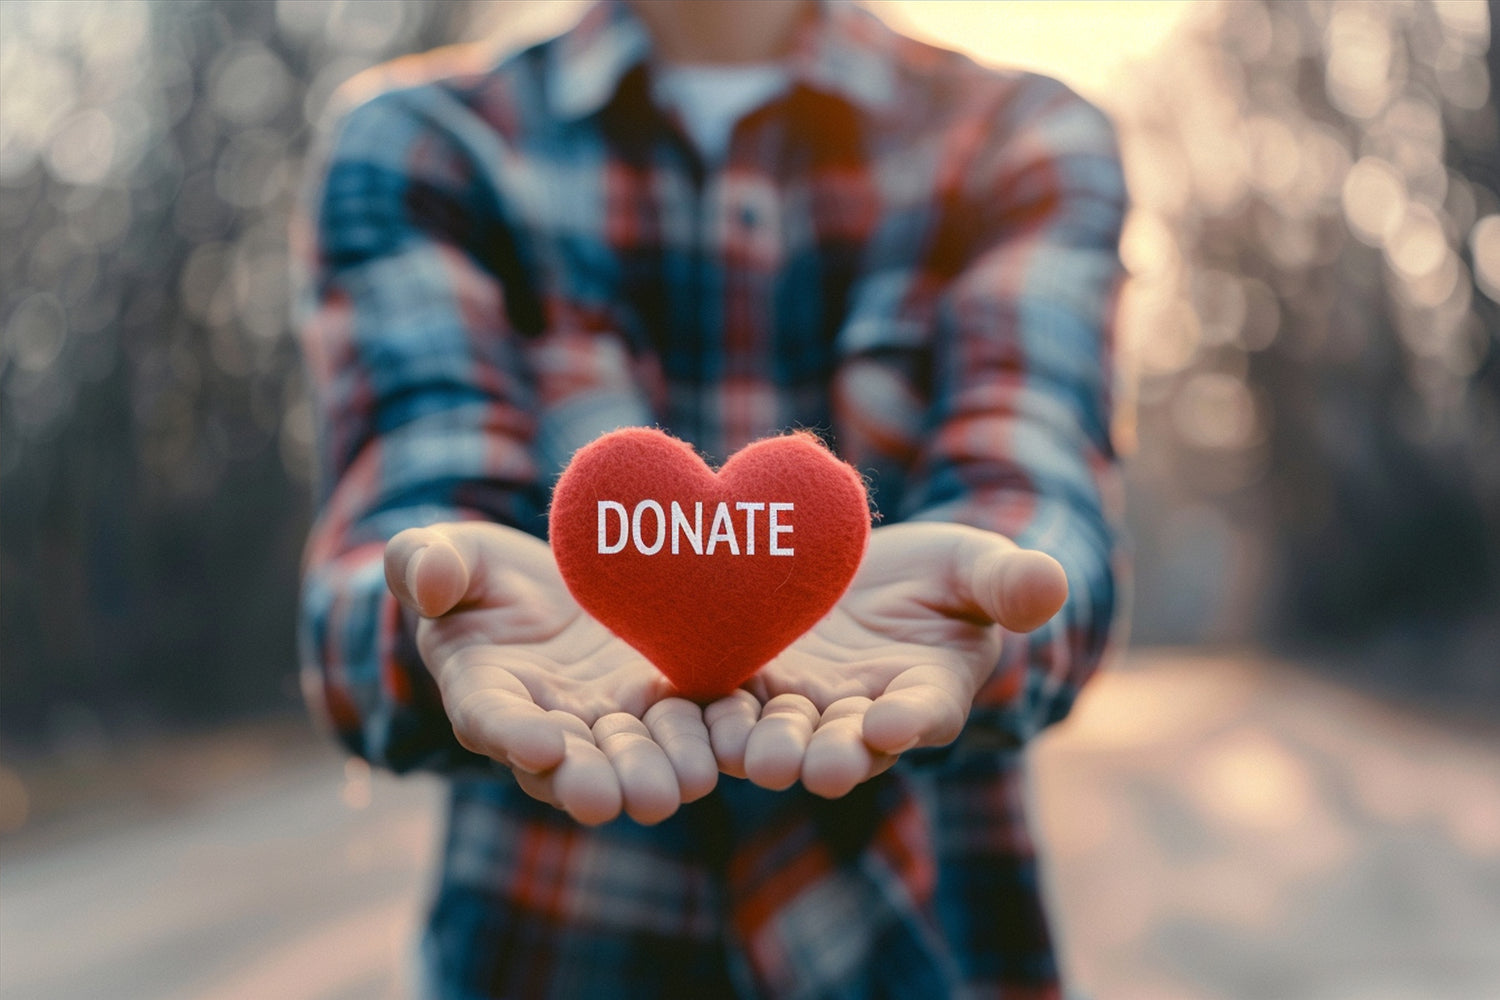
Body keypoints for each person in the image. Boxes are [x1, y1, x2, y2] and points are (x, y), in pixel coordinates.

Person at [294, 0, 1125, 995]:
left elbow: (1037, 501)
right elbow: (388, 545)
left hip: (923, 952)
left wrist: (987, 593)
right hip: (549, 952)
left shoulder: (1019, 139)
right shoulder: (427, 147)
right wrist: (443, 606)